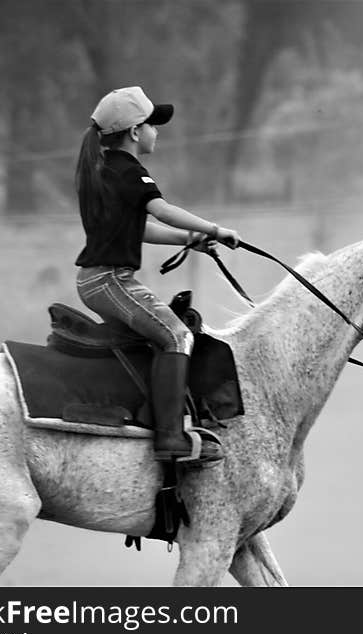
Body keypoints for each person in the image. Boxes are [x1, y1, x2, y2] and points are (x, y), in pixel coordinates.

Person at [74, 86, 239, 463]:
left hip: (96, 280)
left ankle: (149, 415)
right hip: (111, 280)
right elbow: (161, 211)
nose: (156, 132)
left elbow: (140, 229)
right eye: (152, 125)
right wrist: (215, 229)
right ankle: (170, 439)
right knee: (178, 337)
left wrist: (189, 240)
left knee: (159, 339)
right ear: (135, 132)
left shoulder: (103, 169)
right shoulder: (129, 171)